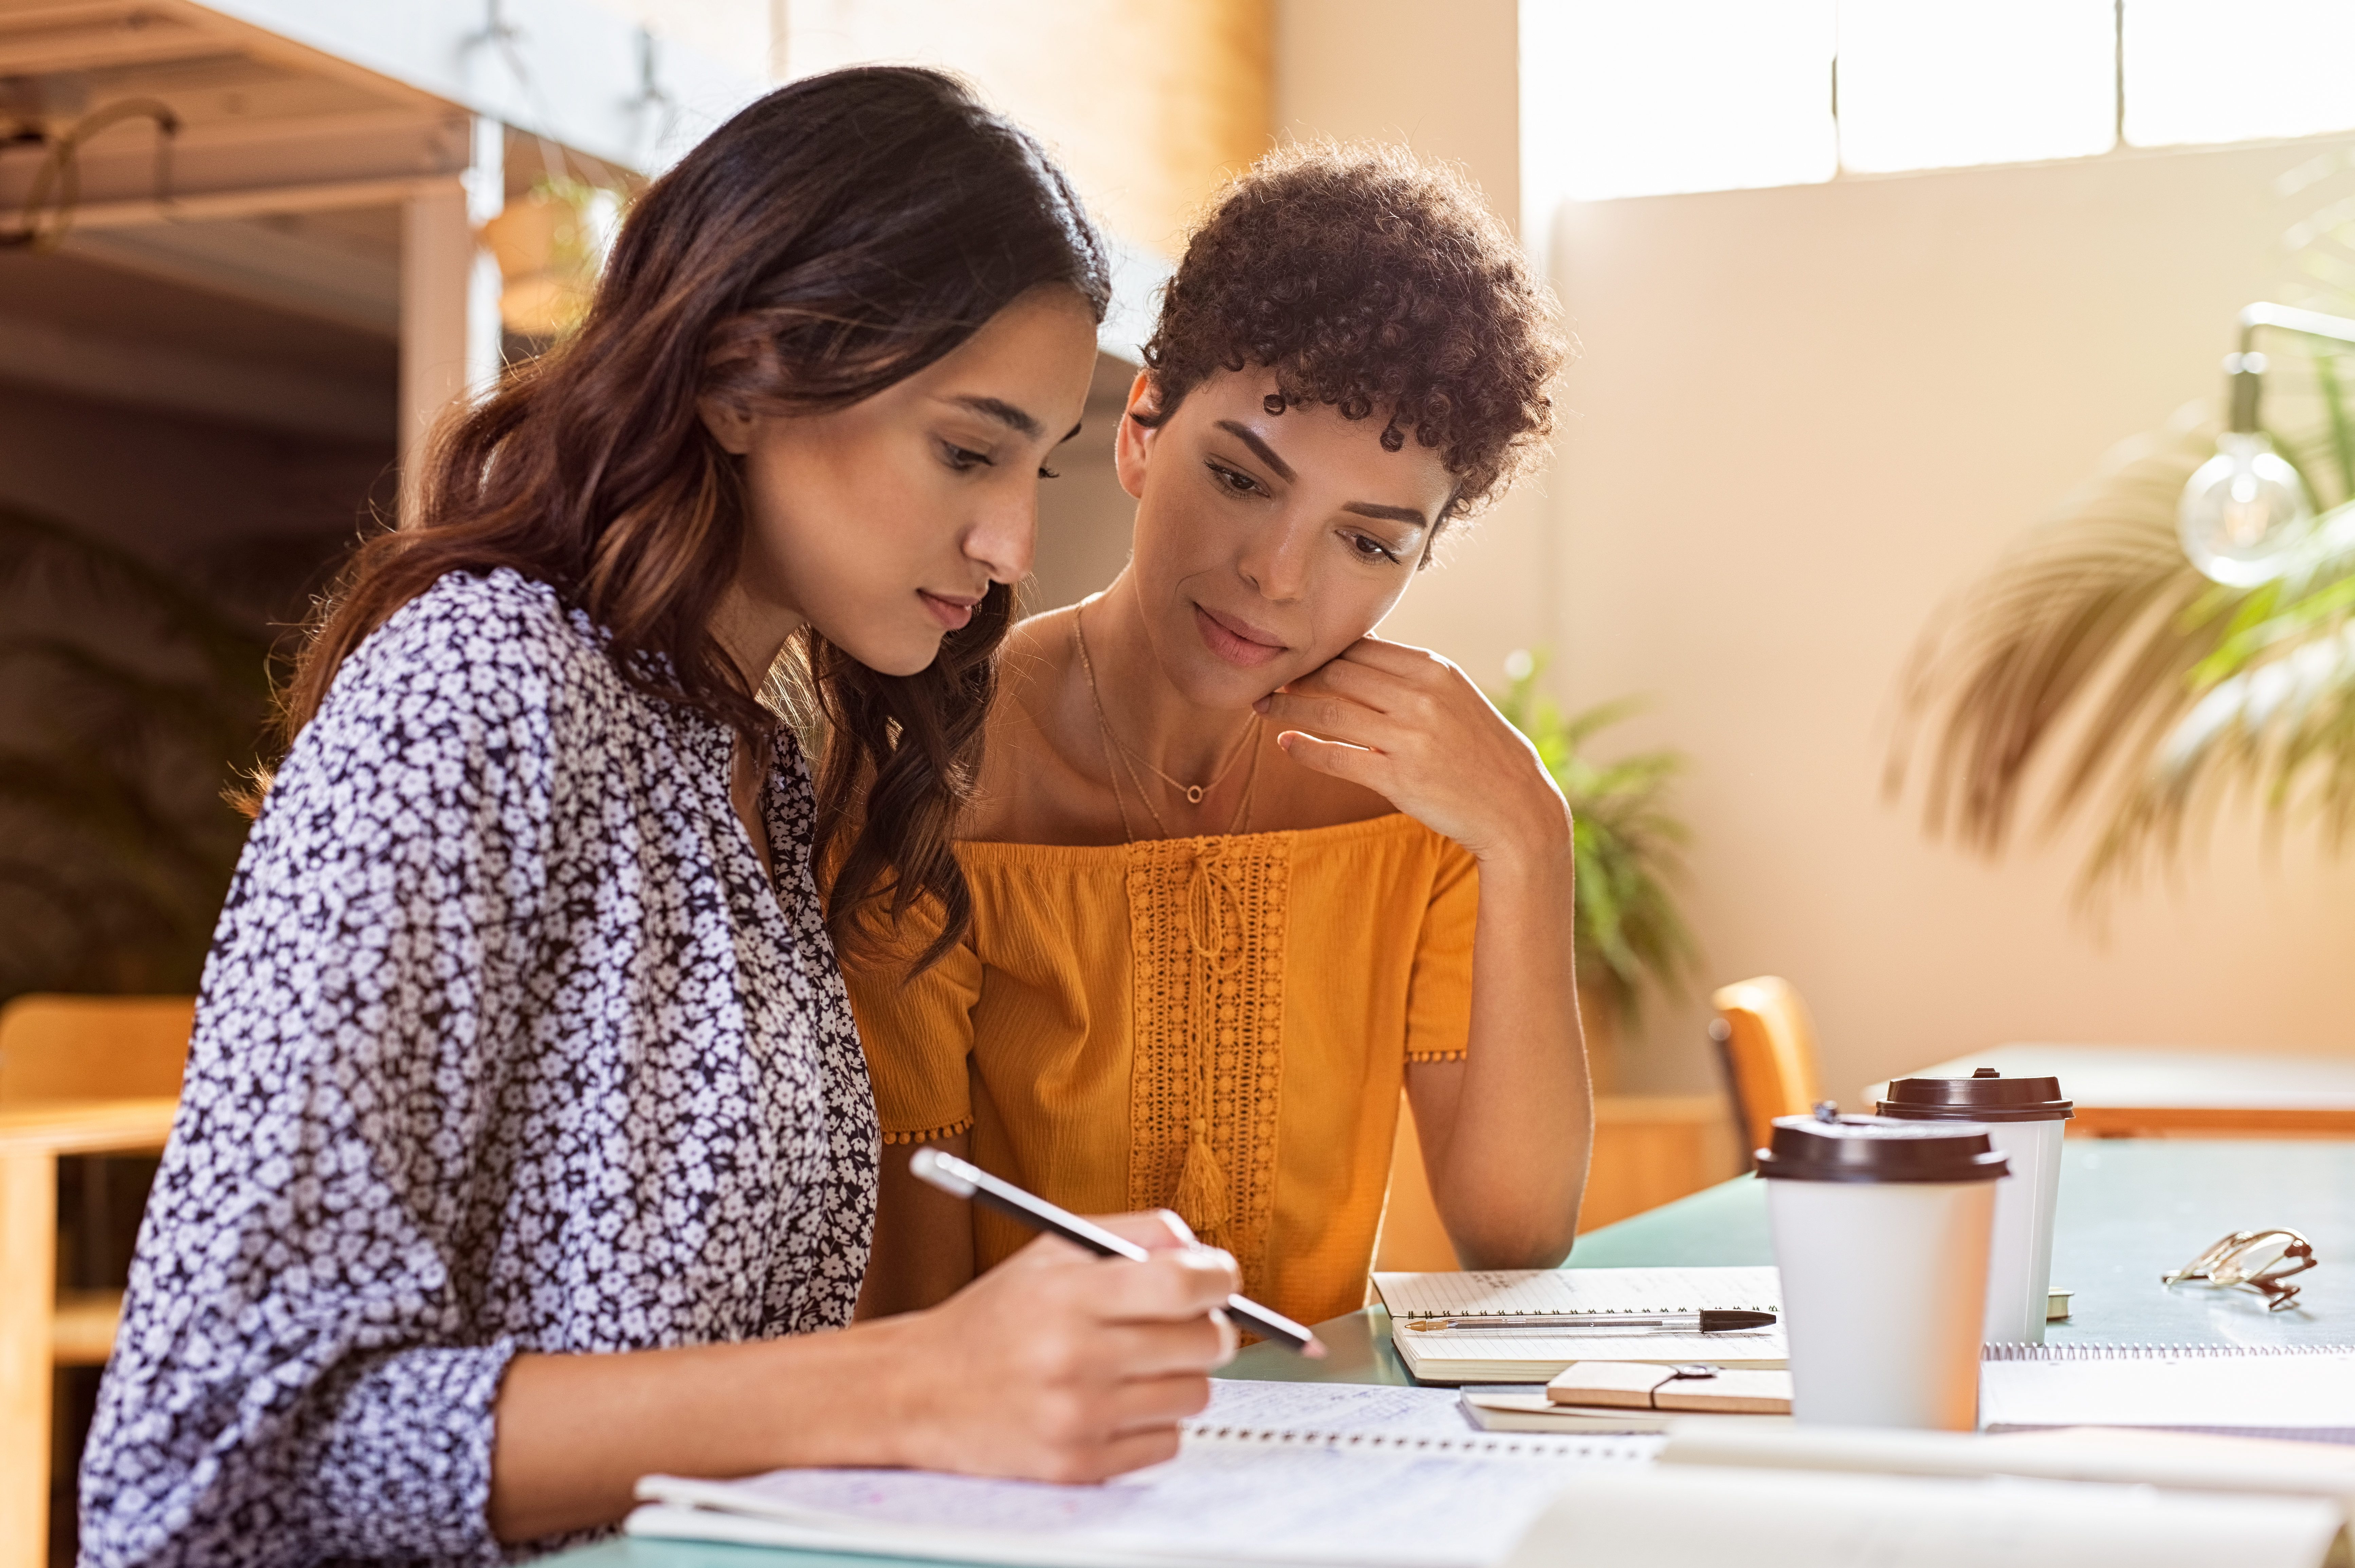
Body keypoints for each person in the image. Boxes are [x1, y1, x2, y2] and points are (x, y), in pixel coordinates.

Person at [79, 67, 1241, 1568]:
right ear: (741, 379)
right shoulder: (479, 691)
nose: (1012, 541)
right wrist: (919, 1380)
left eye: (1035, 465)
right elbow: (218, 1461)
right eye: (966, 450)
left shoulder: (762, 746)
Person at [849, 143, 1584, 1334]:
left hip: (1321, 1477)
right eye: (1244, 479)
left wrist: (1531, 834)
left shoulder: (1423, 811)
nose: (1277, 579)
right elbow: (909, 1310)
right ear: (1141, 430)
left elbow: (1513, 1232)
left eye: (1370, 542)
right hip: (1014, 1478)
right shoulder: (943, 777)